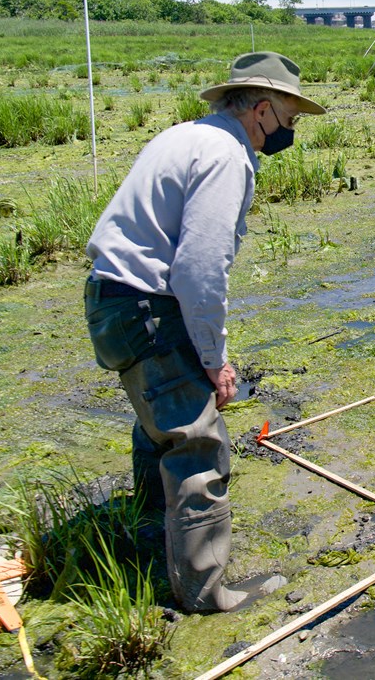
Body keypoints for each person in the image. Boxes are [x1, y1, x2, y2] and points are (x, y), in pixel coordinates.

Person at [84, 51, 325, 612]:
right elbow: (199, 268)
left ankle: (153, 542)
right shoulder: (226, 154)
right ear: (262, 110)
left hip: (112, 301)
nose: (288, 134)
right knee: (196, 442)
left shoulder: (187, 135)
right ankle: (204, 590)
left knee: (157, 429)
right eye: (288, 122)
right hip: (149, 305)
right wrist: (214, 359)